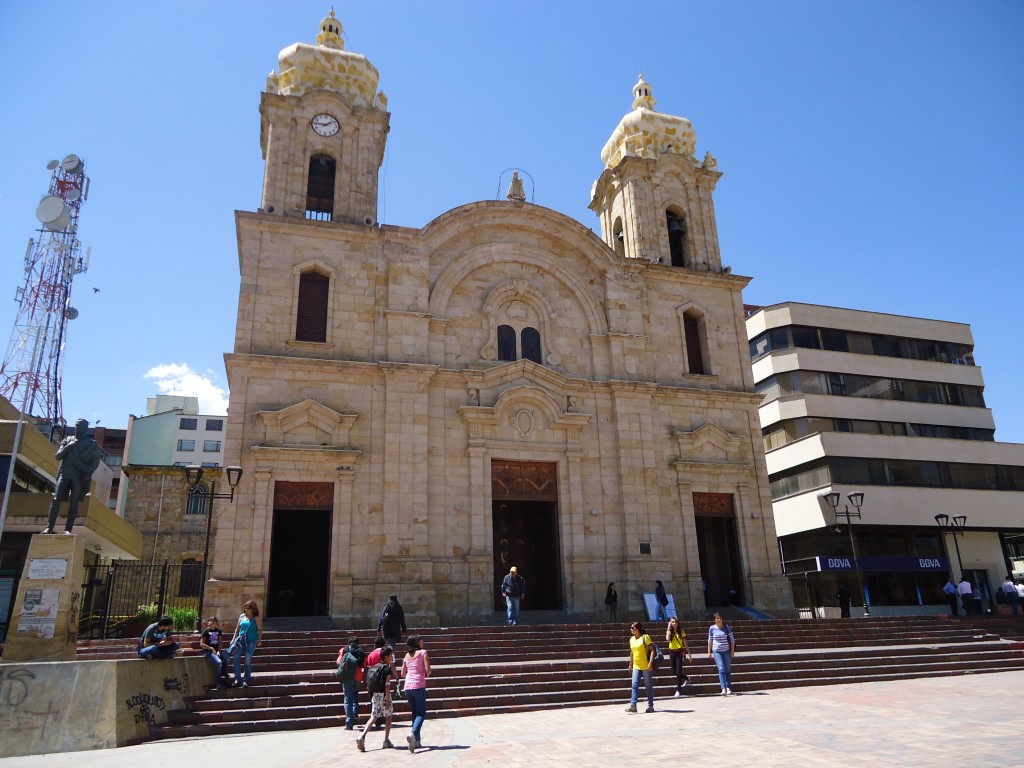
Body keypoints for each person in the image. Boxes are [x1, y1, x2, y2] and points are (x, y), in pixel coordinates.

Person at [42, 418, 102, 534]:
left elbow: (95, 461)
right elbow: (58, 456)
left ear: (84, 428)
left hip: (78, 477)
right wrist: (69, 446)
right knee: (56, 499)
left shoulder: (91, 444)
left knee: (74, 502)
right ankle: (49, 527)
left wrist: (88, 472)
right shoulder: (67, 440)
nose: (76, 428)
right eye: (76, 426)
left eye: (79, 426)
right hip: (64, 474)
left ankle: (68, 529)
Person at [355, 646, 397, 752]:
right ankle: (386, 740)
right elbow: (387, 685)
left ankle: (362, 736)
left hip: (375, 694)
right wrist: (387, 699)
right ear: (386, 657)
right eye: (391, 655)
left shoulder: (375, 667)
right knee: (388, 716)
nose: (392, 657)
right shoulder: (387, 669)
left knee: (373, 716)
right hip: (384, 694)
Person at [401, 634, 431, 753]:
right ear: (417, 643)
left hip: (408, 686)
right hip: (419, 685)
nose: (422, 641)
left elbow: (403, 673)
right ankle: (413, 734)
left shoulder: (406, 656)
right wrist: (423, 674)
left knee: (415, 713)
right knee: (421, 714)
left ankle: (417, 741)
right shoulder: (423, 653)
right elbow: (428, 670)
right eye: (420, 640)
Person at [227, 599, 262, 687]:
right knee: (236, 658)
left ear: (253, 609)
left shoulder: (257, 618)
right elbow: (237, 629)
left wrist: (259, 640)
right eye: (245, 608)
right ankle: (237, 679)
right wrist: (233, 639)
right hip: (240, 640)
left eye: (249, 608)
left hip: (251, 641)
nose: (246, 610)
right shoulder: (242, 616)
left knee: (247, 661)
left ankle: (246, 680)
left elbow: (260, 629)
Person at [625, 621, 656, 713]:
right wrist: (630, 664)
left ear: (638, 629)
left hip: (646, 666)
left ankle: (650, 705)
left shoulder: (645, 637)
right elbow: (632, 653)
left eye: (633, 628)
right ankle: (633, 705)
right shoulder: (631, 639)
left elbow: (653, 651)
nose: (631, 629)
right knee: (634, 685)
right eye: (631, 628)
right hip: (636, 666)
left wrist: (650, 663)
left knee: (648, 685)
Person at [337, 637, 366, 730]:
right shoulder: (361, 651)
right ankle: (355, 713)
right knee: (355, 696)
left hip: (347, 678)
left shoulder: (344, 650)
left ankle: (349, 722)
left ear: (348, 642)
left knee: (347, 699)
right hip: (358, 677)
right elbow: (364, 665)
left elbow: (338, 662)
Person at [708, 612, 736, 696]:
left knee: (727, 669)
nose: (718, 620)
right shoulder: (712, 628)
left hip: (726, 651)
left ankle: (728, 687)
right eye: (716, 618)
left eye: (719, 618)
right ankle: (723, 688)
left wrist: (732, 651)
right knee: (721, 669)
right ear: (714, 620)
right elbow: (710, 640)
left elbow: (732, 640)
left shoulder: (726, 627)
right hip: (717, 651)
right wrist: (709, 652)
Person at [199, 616, 229, 686]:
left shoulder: (218, 631)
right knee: (219, 662)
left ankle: (223, 672)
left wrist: (219, 651)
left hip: (217, 650)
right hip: (208, 651)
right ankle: (218, 682)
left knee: (226, 658)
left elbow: (220, 642)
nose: (212, 622)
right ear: (208, 623)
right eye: (210, 621)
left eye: (214, 621)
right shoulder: (205, 631)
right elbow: (201, 644)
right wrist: (211, 648)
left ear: (216, 623)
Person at [665, 616, 691, 696]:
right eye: (672, 622)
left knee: (678, 671)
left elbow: (685, 643)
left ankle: (679, 690)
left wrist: (689, 654)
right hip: (672, 652)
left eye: (675, 622)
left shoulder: (681, 631)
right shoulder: (669, 631)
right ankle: (687, 678)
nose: (674, 624)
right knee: (674, 672)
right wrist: (668, 628)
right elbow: (668, 639)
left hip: (679, 652)